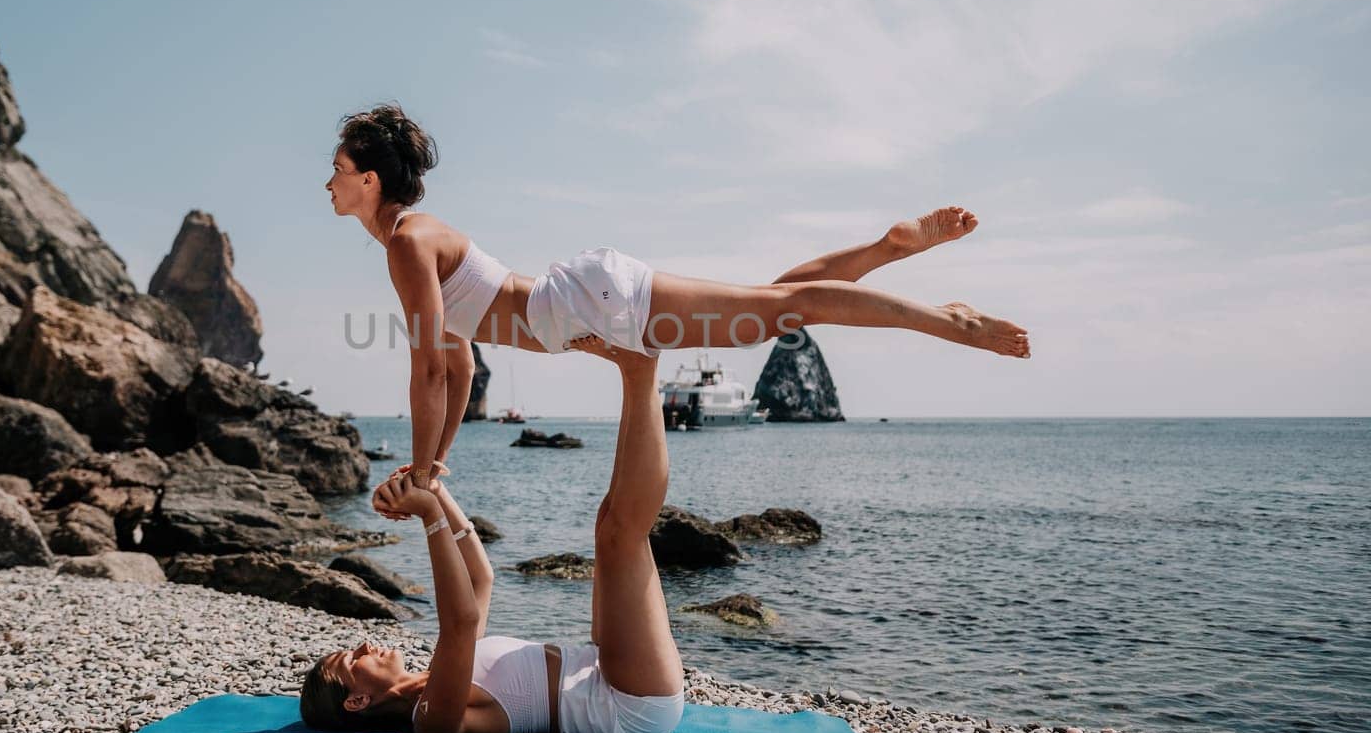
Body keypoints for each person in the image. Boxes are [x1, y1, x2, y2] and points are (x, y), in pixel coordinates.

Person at [325, 102, 1030, 491]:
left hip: (587, 305)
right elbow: (456, 366)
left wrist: (420, 473)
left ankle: (950, 318)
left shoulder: (408, 244)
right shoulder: (417, 238)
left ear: (369, 180)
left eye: (338, 169)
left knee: (781, 312)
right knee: (773, 301)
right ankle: (886, 247)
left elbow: (430, 370)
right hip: (583, 301)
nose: (328, 182)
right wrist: (436, 465)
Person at [298, 337, 684, 733]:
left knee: (608, 520)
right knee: (620, 536)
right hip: (628, 703)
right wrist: (428, 514)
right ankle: (643, 370)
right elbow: (460, 621)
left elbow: (481, 577)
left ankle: (632, 373)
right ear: (357, 701)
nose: (363, 645)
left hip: (600, 665)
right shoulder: (430, 719)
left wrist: (439, 495)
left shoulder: (438, 670)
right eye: (353, 660)